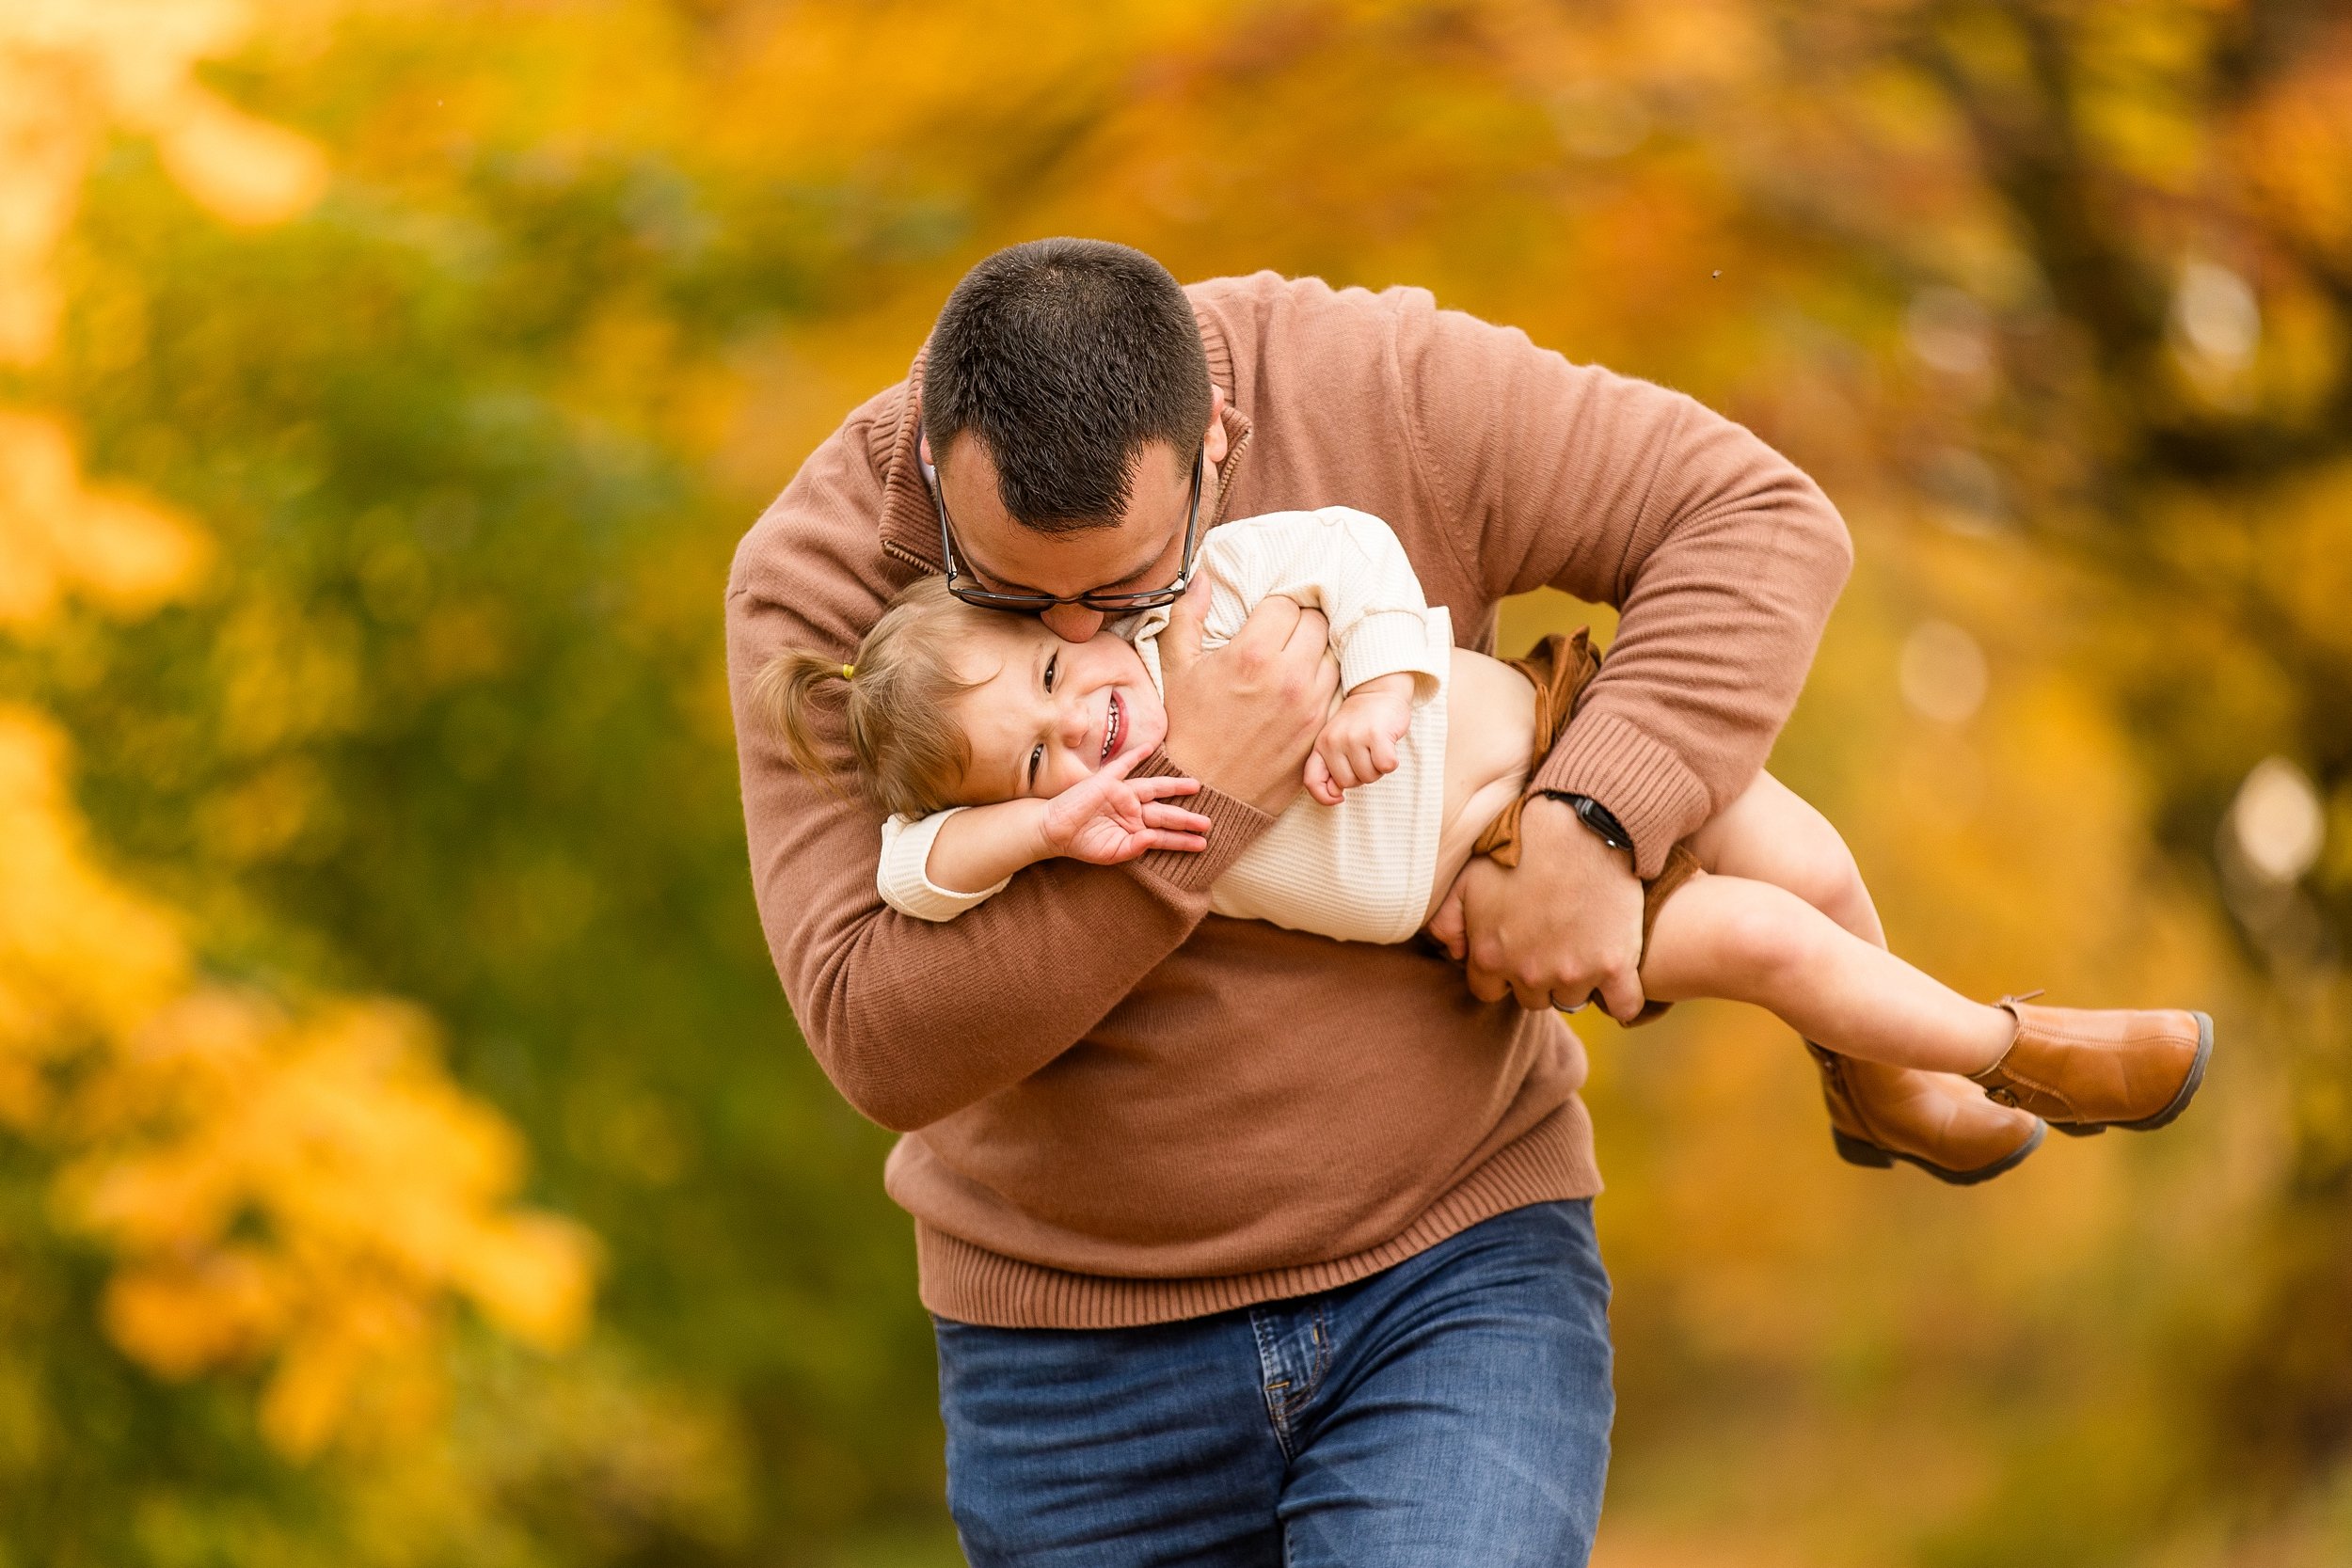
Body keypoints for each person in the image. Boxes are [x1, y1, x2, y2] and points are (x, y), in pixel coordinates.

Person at [724, 237, 2041, 1563]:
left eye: (1121, 589)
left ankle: (1938, 1057)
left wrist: (1595, 821)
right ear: (935, 488)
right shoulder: (819, 580)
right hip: (1067, 1378)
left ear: (1216, 447)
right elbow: (877, 1032)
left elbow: (1754, 521)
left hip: (1450, 1269)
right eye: (1011, 597)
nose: (1076, 641)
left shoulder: (1377, 383)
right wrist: (1208, 789)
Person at [759, 504, 2213, 1147]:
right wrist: (1043, 826)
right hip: (1494, 871)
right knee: (1770, 939)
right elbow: (911, 874)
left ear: (1066, 618)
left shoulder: (1210, 589)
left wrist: (1381, 688)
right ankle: (2021, 1050)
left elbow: (1359, 556)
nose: (1077, 732)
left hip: (1562, 722)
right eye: (1030, 761)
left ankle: (1887, 1092)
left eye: (1056, 686)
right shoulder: (1121, 828)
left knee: (1820, 866)